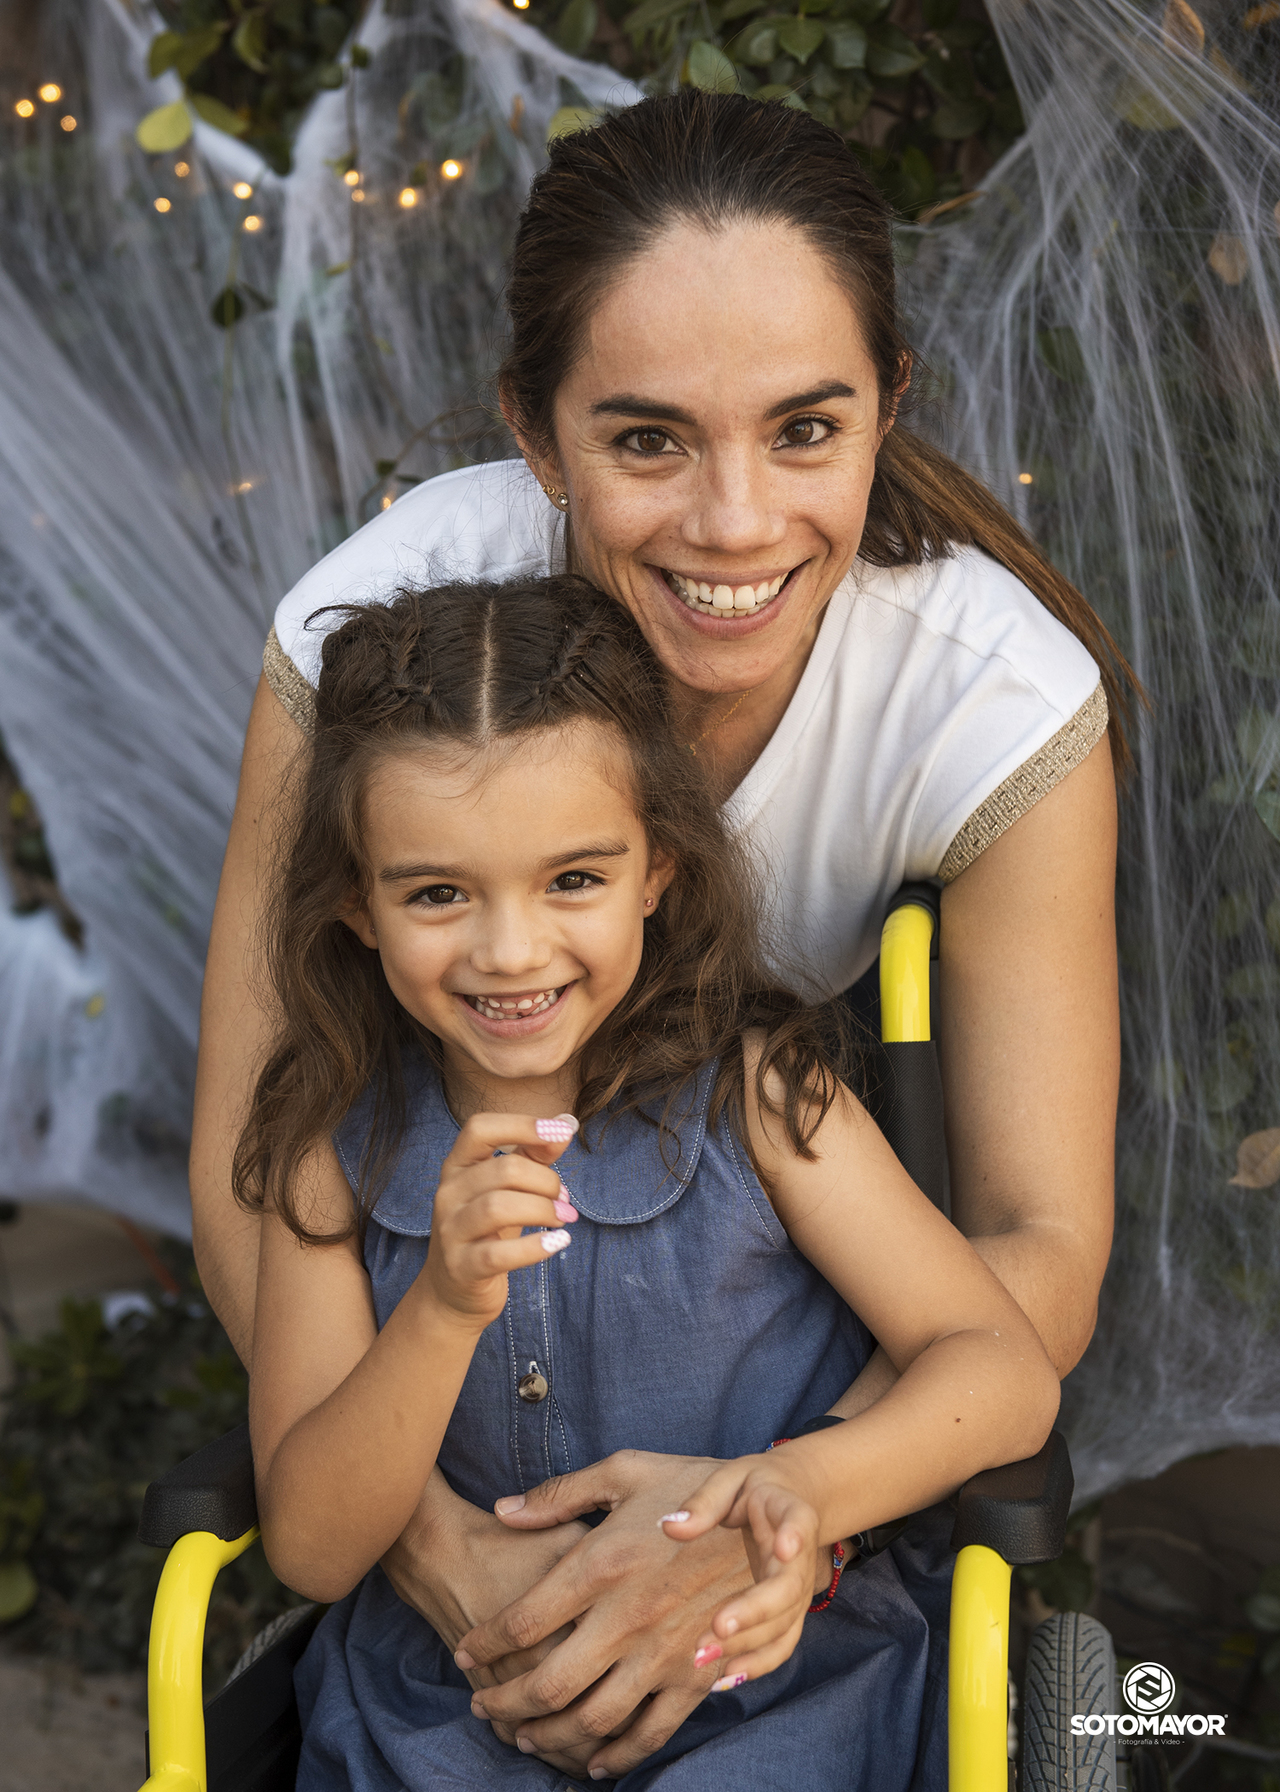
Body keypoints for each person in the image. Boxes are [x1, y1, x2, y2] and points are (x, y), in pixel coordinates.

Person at [193, 90, 1125, 1780]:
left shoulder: (986, 706)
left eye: (804, 430)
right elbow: (247, 1180)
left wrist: (765, 1520)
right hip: (442, 1556)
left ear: (886, 408)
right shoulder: (377, 652)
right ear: (536, 438)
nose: (734, 524)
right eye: (645, 440)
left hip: (766, 1485)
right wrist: (458, 1559)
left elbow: (1031, 1263)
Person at [243, 575, 1059, 1790]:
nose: (509, 950)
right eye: (435, 893)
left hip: (779, 1688)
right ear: (357, 904)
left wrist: (795, 1487)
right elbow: (311, 1541)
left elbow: (995, 1364)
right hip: (449, 1709)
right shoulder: (331, 1144)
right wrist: (441, 1309)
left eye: (572, 879)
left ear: (658, 870)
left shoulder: (762, 1098)